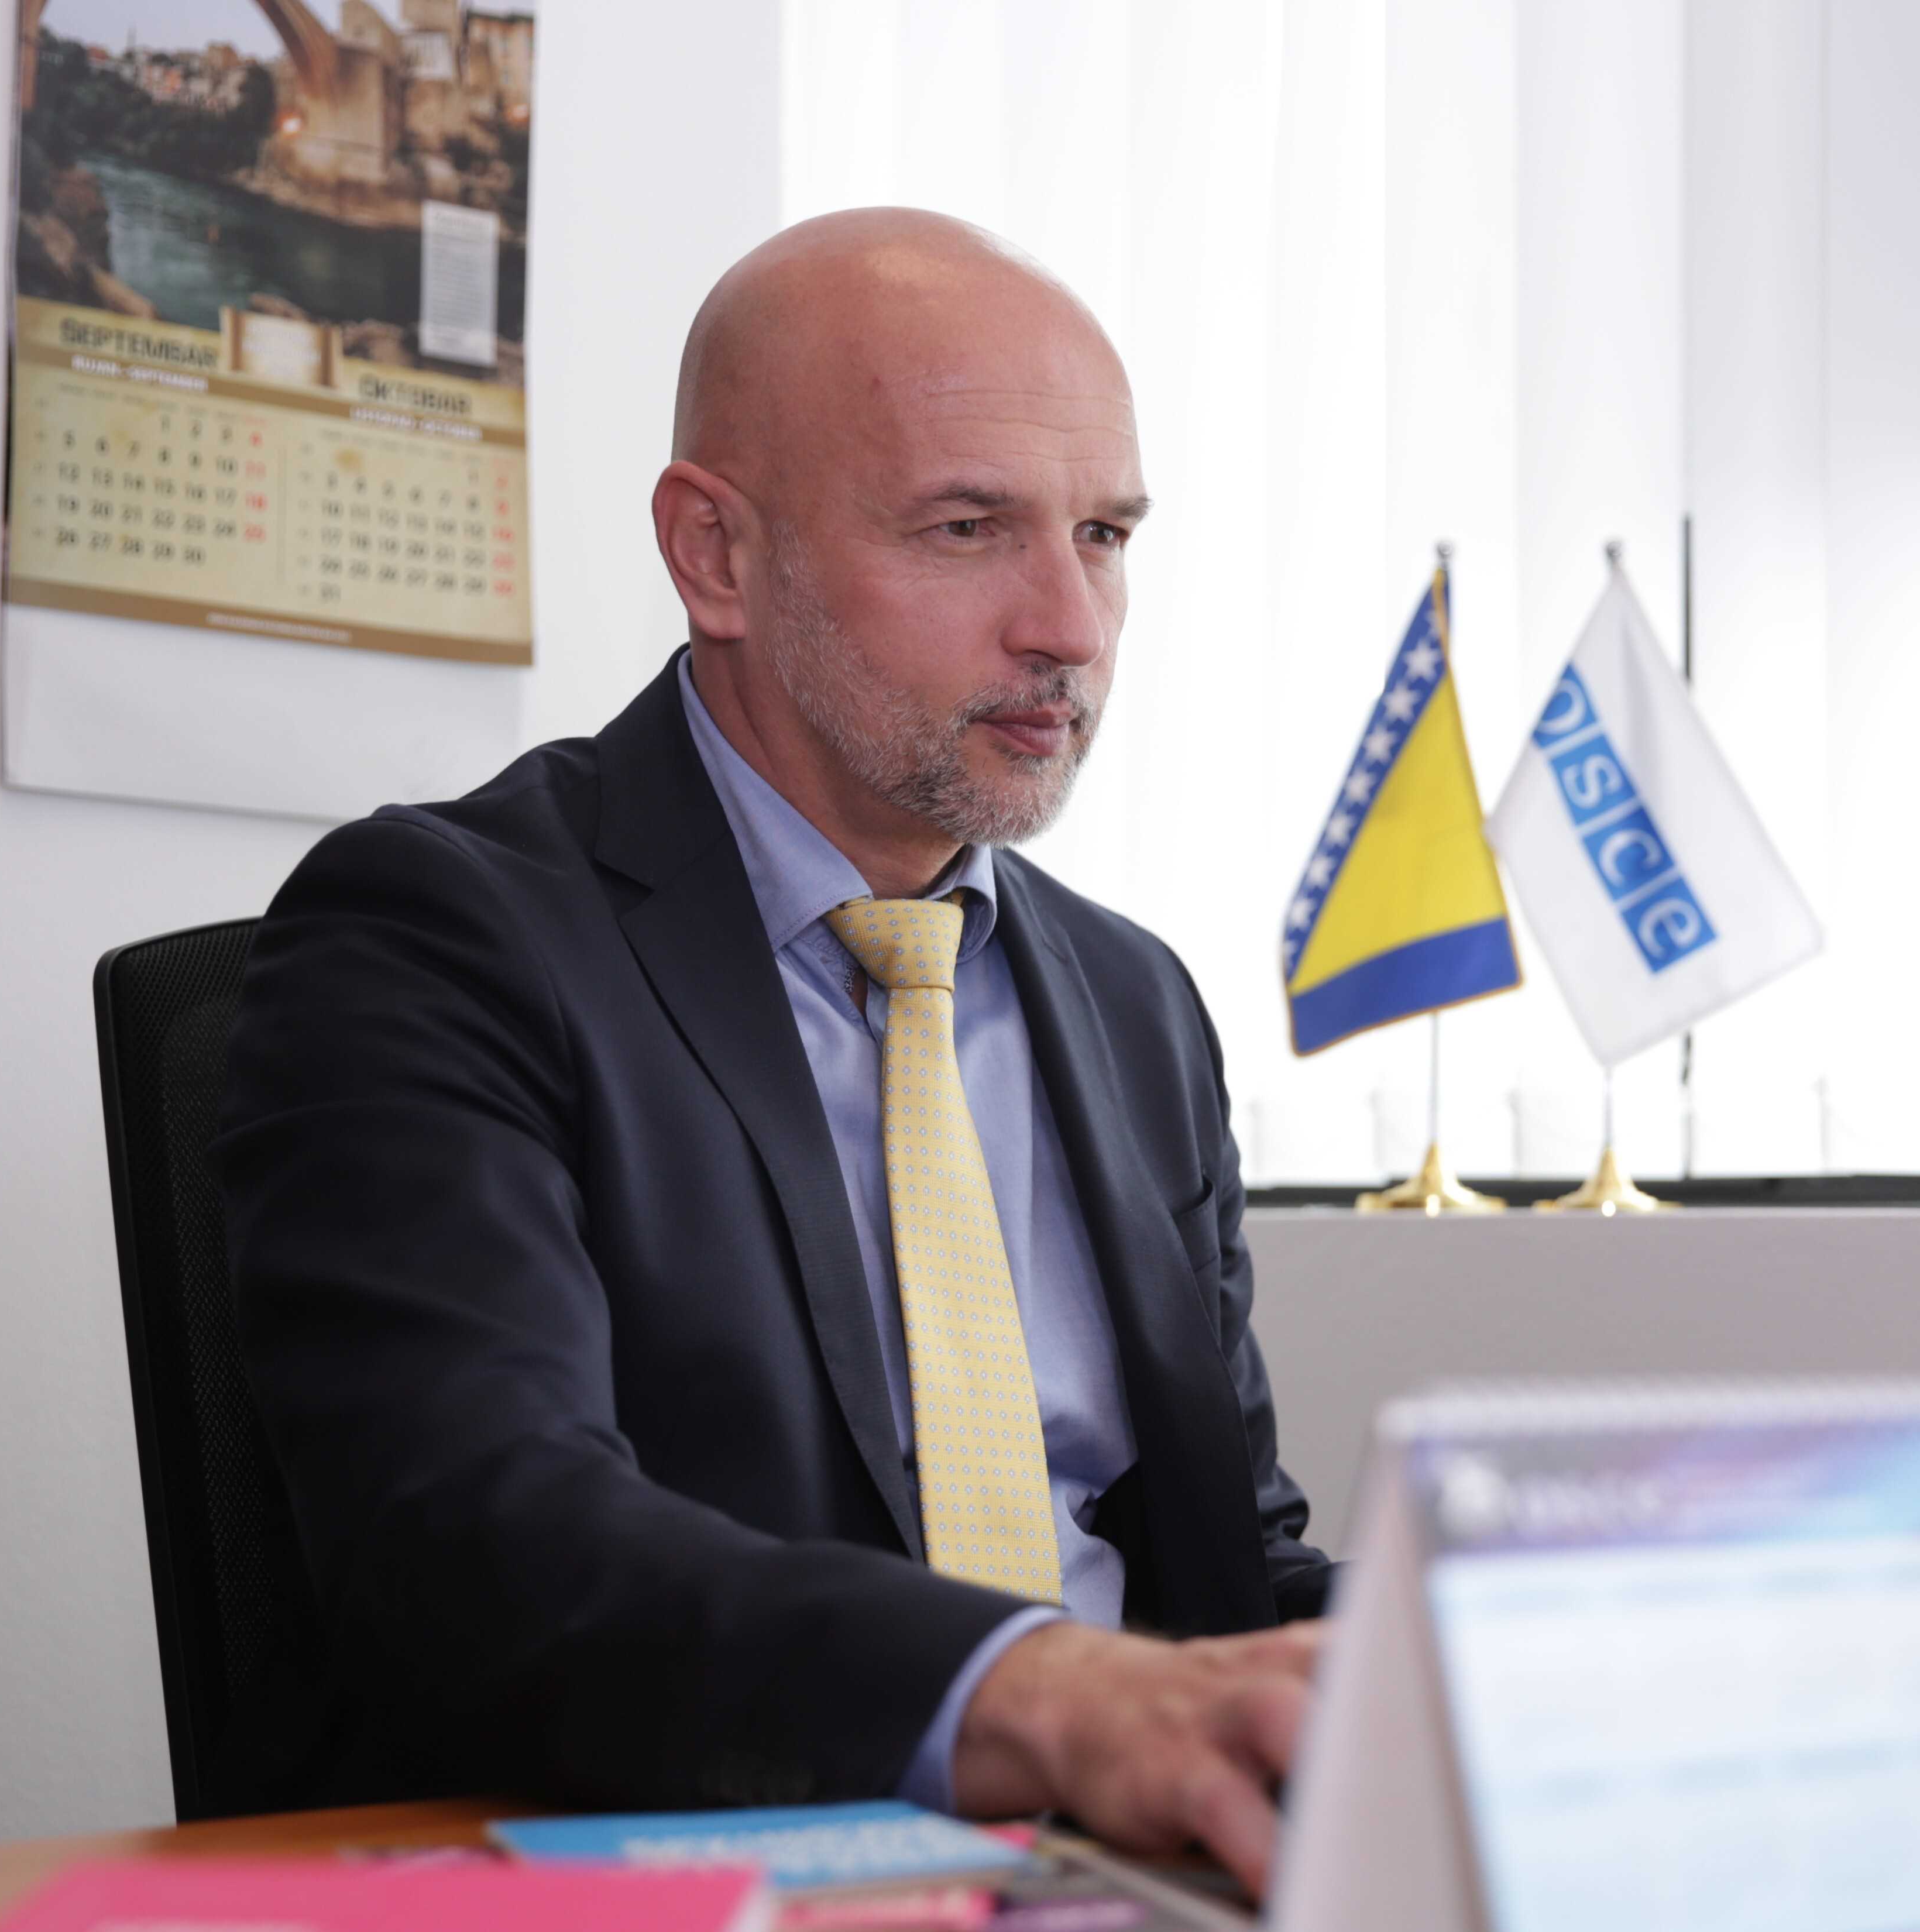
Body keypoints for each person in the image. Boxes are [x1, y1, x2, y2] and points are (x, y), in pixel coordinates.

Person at [213, 209, 1331, 1893]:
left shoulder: (1134, 1000)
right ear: (716, 555)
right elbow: (482, 1546)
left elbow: (1228, 1563)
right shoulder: (433, 936)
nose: (1072, 626)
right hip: (692, 1879)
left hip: (1121, 1883)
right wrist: (1044, 1697)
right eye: (967, 528)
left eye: (1103, 535)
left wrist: (1484, 1671)